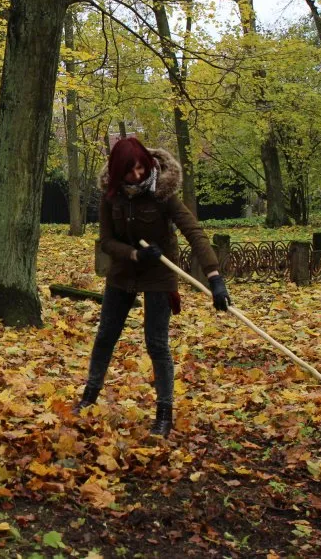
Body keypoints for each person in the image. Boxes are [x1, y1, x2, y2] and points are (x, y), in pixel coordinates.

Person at [76, 138, 230, 437]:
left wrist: (214, 278)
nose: (136, 177)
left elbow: (193, 231)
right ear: (118, 172)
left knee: (156, 343)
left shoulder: (163, 193)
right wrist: (133, 253)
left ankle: (164, 412)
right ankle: (89, 396)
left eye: (140, 169)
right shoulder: (111, 196)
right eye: (129, 172)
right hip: (123, 272)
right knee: (106, 335)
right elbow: (107, 241)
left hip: (160, 274)